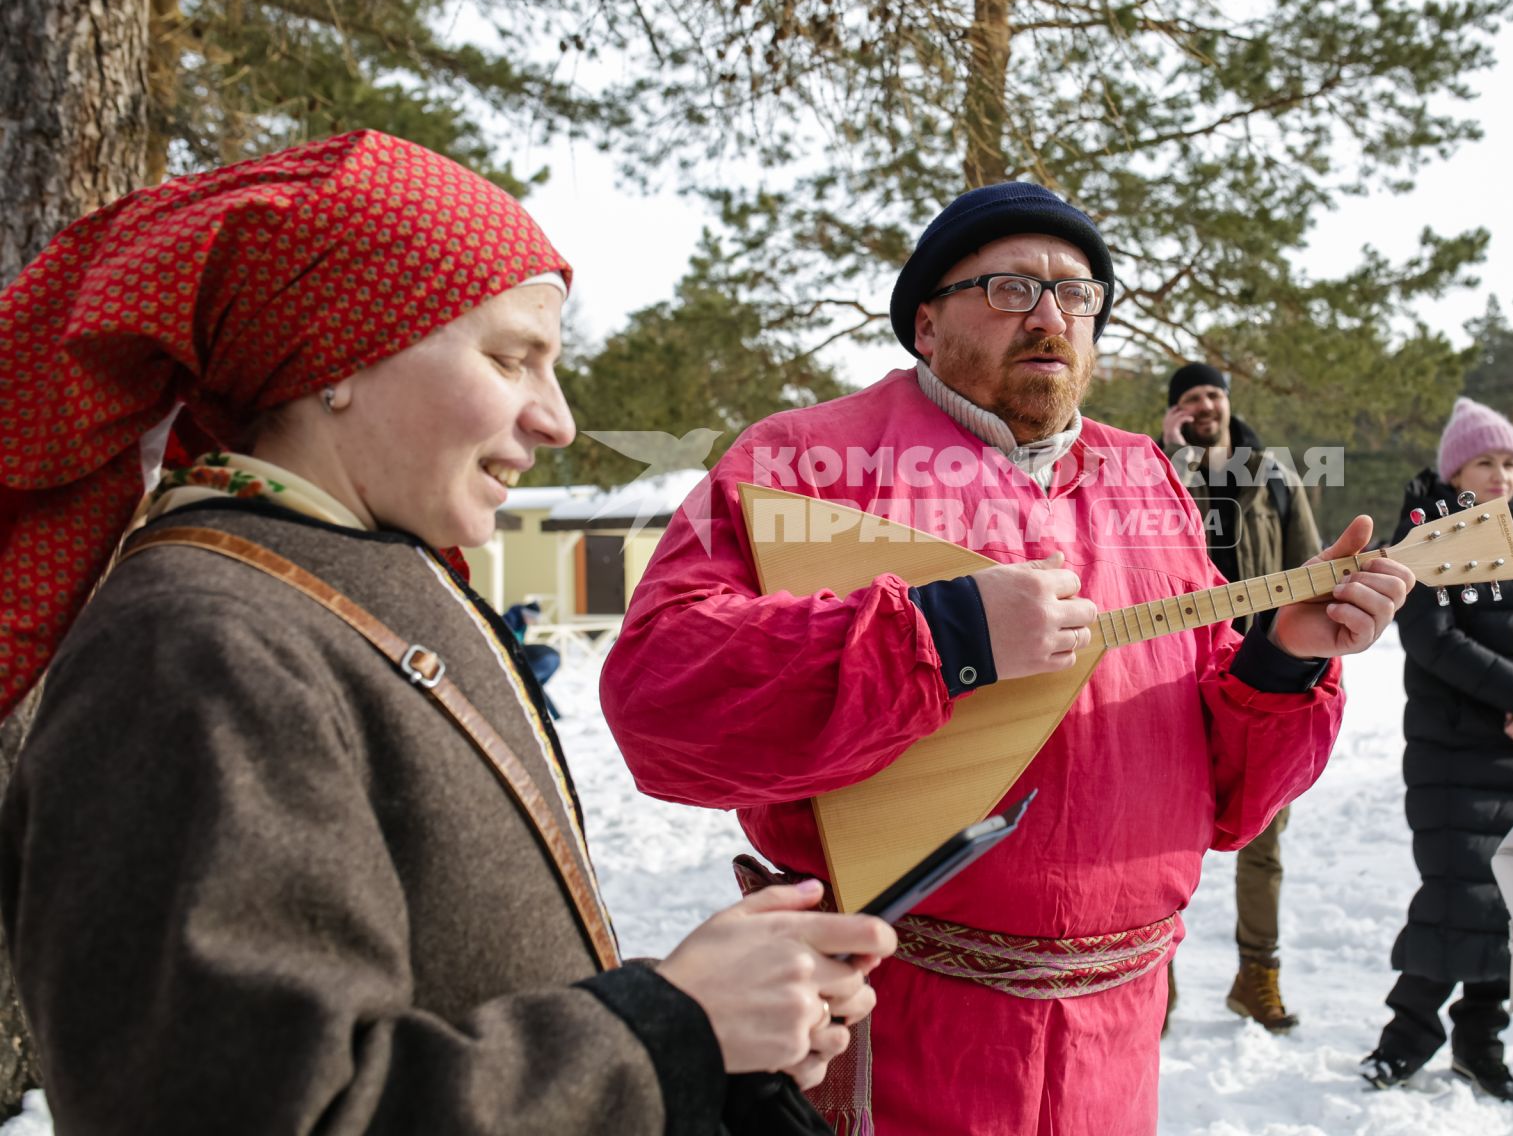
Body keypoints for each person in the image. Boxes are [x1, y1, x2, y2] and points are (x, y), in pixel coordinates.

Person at [0, 132, 894, 1133]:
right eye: (513, 357)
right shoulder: (196, 648)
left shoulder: (364, 577)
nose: (557, 418)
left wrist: (707, 1043)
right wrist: (666, 1029)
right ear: (340, 352)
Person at [601, 181, 1415, 1135]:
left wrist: (1283, 659)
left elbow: (1221, 800)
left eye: (1077, 294)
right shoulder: (802, 457)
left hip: (1115, 1049)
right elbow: (661, 701)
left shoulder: (1144, 476)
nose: (1051, 315)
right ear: (926, 323)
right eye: (1010, 288)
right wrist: (945, 639)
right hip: (889, 1028)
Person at [1359, 397, 1513, 1102]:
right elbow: (1430, 639)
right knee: (1456, 897)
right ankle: (1407, 1038)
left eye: (1511, 462)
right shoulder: (1429, 540)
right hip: (1456, 758)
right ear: (1456, 471)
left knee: (1512, 904)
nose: (1502, 474)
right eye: (1487, 461)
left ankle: (1481, 1042)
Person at [1157, 361, 1321, 1034]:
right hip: (1171, 684)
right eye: (1192, 397)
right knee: (1156, 842)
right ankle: (1152, 986)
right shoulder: (1152, 475)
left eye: (1214, 394)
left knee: (1264, 840)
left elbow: (1314, 572)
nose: (1206, 405)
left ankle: (1257, 976)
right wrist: (1172, 462)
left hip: (1258, 683)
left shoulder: (1276, 479)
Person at [504, 598, 564, 716]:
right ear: (526, 614)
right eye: (532, 618)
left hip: (542, 658)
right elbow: (507, 638)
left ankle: (549, 715)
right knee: (532, 686)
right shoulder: (511, 619)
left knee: (532, 686)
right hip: (517, 655)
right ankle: (551, 715)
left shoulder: (522, 622)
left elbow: (519, 641)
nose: (532, 622)